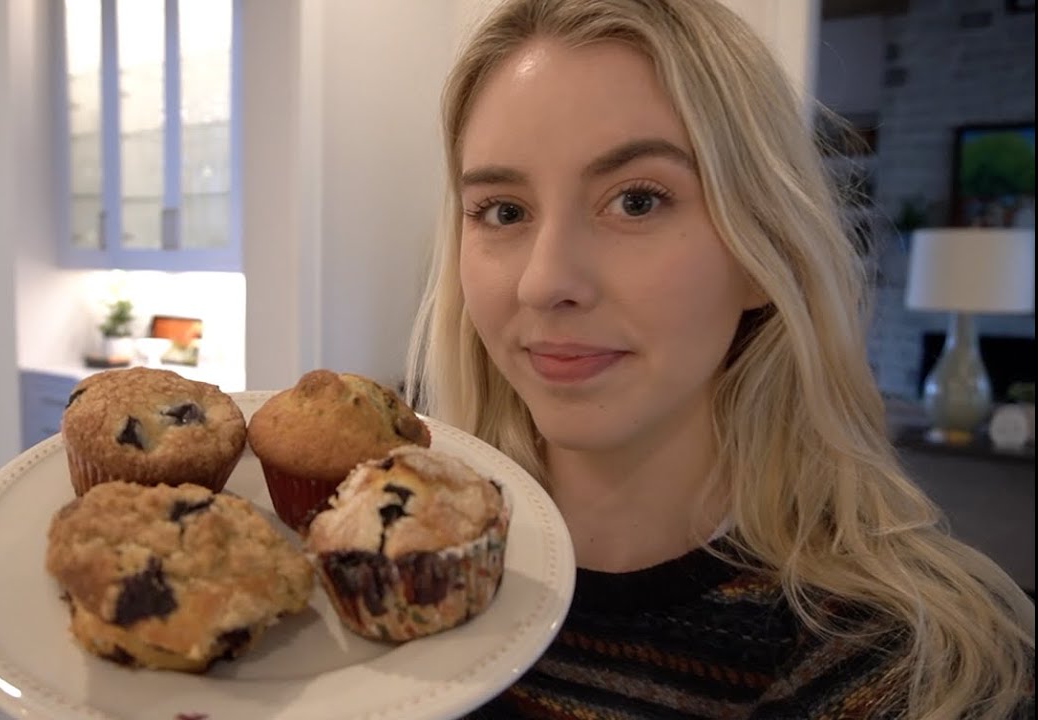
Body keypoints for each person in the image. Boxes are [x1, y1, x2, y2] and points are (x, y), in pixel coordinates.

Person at [403, 0, 1036, 717]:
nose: (545, 282)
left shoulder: (916, 668)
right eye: (503, 211)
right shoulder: (385, 585)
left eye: (637, 201)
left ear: (761, 254)